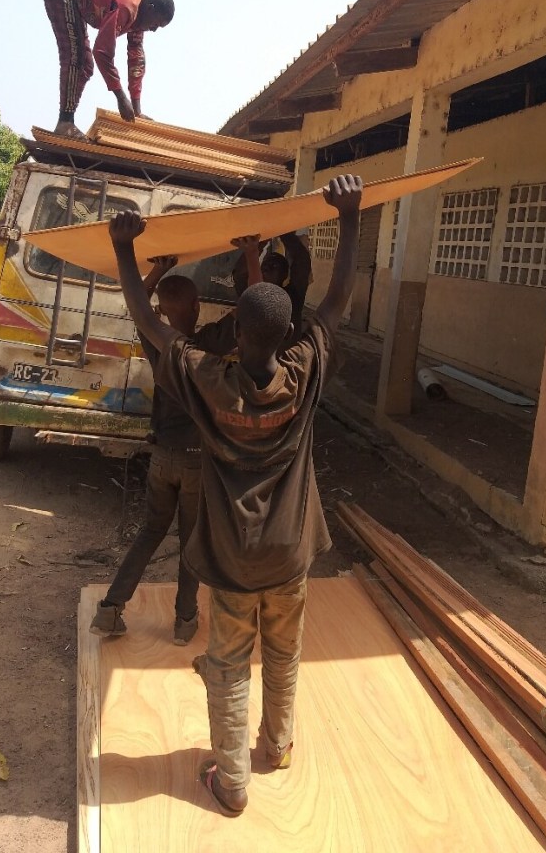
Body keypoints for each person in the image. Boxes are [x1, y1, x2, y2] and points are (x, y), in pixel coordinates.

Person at [107, 173, 362, 817]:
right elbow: (335, 303)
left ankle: (232, 781)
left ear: (234, 328)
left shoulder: (205, 379)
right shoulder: (304, 372)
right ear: (285, 335)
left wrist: (124, 250)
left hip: (231, 558)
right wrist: (350, 218)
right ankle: (275, 746)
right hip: (291, 554)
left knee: (228, 663)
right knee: (284, 652)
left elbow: (148, 322)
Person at [90, 240, 262, 644]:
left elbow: (138, 304)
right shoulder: (211, 345)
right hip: (197, 464)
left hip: (161, 459)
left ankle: (111, 610)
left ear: (163, 314)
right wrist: (252, 254)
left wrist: (156, 271)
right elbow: (255, 308)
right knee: (191, 540)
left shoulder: (159, 345)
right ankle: (185, 622)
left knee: (150, 531)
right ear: (198, 307)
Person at [40, 0, 175, 141]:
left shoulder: (138, 20)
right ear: (150, 8)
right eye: (156, 24)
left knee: (85, 66)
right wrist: (120, 97)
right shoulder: (126, 7)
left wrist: (137, 111)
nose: (153, 30)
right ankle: (65, 123)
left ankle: (66, 121)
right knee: (76, 55)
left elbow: (136, 60)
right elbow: (102, 53)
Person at [232, 230, 312, 340]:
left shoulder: (292, 297)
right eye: (265, 264)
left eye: (274, 265)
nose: (267, 267)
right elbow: (240, 273)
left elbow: (301, 261)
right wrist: (260, 241)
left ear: (284, 275)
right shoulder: (250, 293)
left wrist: (283, 230)